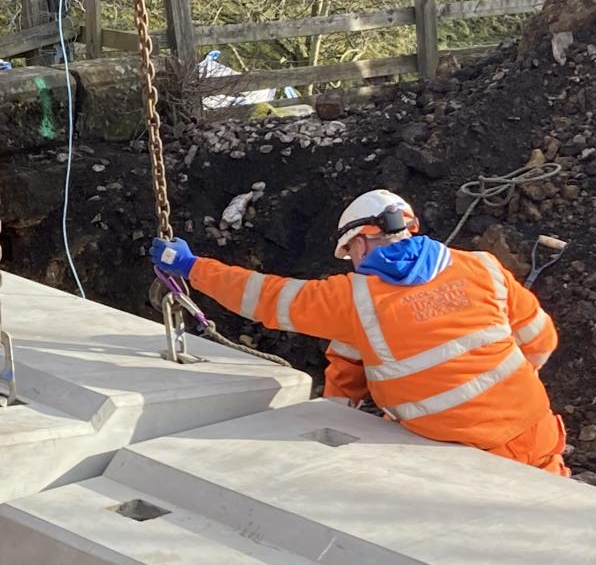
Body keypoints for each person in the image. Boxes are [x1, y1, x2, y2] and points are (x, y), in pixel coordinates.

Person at [150, 189, 568, 475]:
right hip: (534, 430)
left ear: (362, 242)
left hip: (458, 456)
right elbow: (541, 338)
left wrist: (190, 267)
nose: (350, 261)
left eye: (349, 251)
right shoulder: (482, 266)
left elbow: (265, 297)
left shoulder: (354, 300)